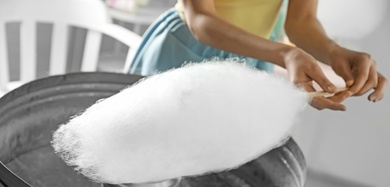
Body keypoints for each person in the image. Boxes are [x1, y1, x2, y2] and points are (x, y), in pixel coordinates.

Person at [129, 0, 387, 111]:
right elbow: (200, 19)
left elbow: (302, 21)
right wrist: (285, 54)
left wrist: (335, 52)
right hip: (186, 52)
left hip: (253, 61)